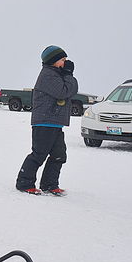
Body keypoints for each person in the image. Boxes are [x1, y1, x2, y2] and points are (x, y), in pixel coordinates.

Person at [15, 45, 78, 196]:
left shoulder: (57, 74)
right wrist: (69, 74)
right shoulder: (48, 75)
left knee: (59, 154)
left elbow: (69, 90)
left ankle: (49, 184)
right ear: (54, 61)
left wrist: (66, 74)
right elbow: (64, 92)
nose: (65, 62)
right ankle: (24, 183)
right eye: (63, 59)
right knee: (39, 154)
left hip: (54, 122)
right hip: (44, 122)